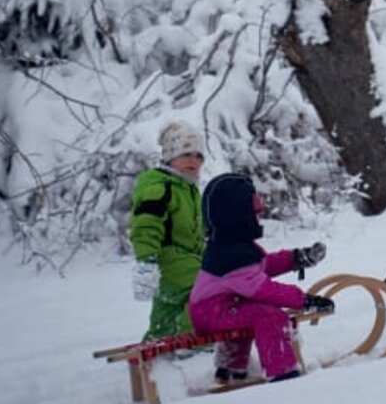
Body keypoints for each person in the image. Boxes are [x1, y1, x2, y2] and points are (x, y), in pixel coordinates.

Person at [188, 172, 335, 384]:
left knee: (252, 309)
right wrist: (304, 300)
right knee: (269, 316)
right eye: (254, 213)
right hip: (211, 312)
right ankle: (283, 373)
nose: (259, 217)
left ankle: (231, 369)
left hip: (219, 307)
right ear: (238, 217)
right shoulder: (229, 256)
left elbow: (263, 266)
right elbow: (263, 289)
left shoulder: (234, 246)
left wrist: (297, 258)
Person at [129, 120, 208, 340]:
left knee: (169, 307)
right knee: (210, 289)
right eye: (186, 154)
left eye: (198, 156)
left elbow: (193, 233)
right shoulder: (160, 188)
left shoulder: (188, 190)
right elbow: (146, 224)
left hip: (183, 262)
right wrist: (146, 261)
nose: (193, 161)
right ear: (170, 157)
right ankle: (190, 342)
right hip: (168, 262)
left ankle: (158, 344)